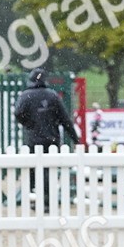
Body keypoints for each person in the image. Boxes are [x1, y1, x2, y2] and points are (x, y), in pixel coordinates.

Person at [14, 67, 80, 209]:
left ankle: (33, 198)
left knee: (33, 169)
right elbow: (65, 119)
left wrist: (29, 124)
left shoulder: (25, 96)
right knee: (48, 171)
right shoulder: (52, 96)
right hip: (51, 139)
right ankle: (47, 200)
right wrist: (75, 139)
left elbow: (18, 112)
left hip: (32, 139)